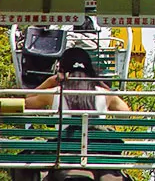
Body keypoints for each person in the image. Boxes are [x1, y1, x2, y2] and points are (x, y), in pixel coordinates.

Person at [23, 47, 130, 181]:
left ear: (62, 71)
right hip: (98, 153)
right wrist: (100, 83)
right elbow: (125, 112)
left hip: (64, 154)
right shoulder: (104, 94)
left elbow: (26, 102)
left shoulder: (55, 93)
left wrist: (50, 81)